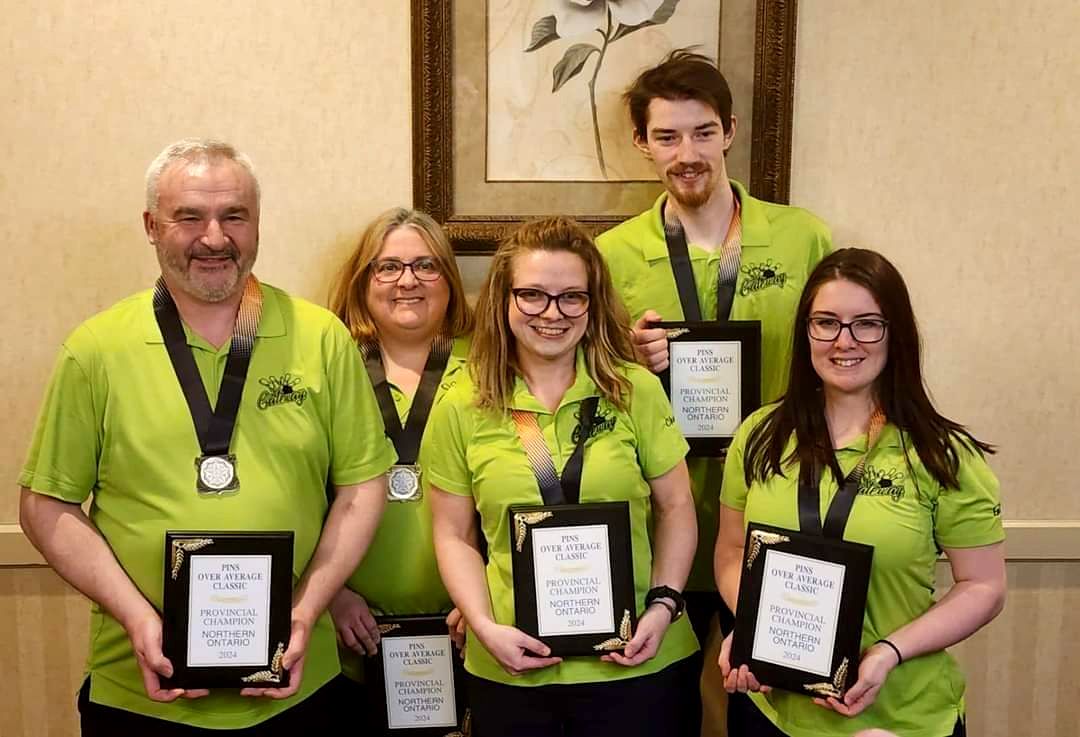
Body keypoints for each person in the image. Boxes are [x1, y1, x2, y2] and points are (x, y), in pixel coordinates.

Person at [17, 138, 396, 735]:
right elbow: (47, 504)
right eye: (189, 216)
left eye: (234, 216)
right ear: (151, 225)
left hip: (301, 689)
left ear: (257, 224)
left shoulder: (322, 339)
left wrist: (305, 612)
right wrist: (139, 620)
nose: (214, 238)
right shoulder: (95, 350)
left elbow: (362, 486)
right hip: (140, 694)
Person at [421, 216, 701, 737]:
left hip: (641, 659)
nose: (552, 313)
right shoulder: (462, 403)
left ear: (593, 304)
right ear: (503, 301)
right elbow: (453, 534)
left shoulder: (634, 390)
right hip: (515, 665)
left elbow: (677, 508)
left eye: (572, 296)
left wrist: (664, 606)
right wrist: (483, 628)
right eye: (532, 295)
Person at [715, 248, 1006, 737]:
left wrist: (888, 654)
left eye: (867, 323)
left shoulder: (942, 454)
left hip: (898, 718)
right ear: (806, 330)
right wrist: (751, 626)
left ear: (896, 333)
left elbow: (984, 586)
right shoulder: (760, 435)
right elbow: (728, 550)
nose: (844, 341)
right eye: (826, 322)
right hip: (774, 713)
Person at [596, 49, 833, 647]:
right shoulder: (610, 255)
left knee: (763, 696)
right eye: (667, 136)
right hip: (663, 521)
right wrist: (624, 361)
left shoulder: (802, 237)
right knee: (666, 706)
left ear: (729, 131)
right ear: (642, 143)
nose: (687, 154)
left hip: (776, 507)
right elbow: (580, 383)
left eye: (703, 133)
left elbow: (842, 359)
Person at [325, 207, 473, 731]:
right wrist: (329, 595)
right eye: (387, 267)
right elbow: (296, 490)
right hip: (348, 629)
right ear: (363, 281)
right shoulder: (329, 366)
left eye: (425, 265)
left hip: (466, 626)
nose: (407, 280)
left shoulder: (491, 366)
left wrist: (484, 600)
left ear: (449, 280)